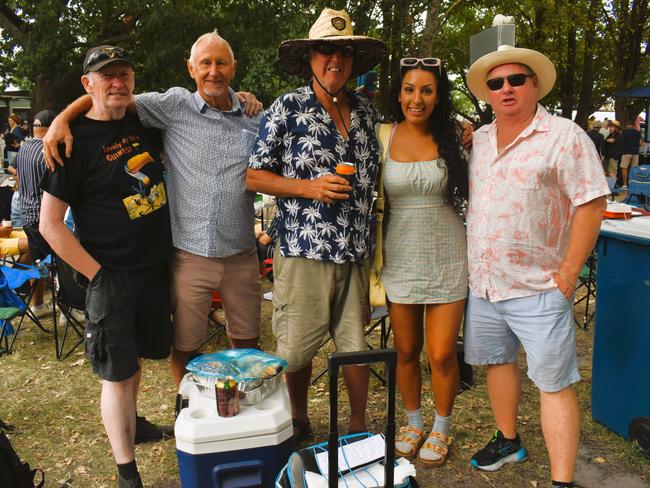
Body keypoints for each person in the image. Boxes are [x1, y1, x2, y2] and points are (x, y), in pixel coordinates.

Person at [43, 32, 264, 388]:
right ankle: (186, 407)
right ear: (190, 68)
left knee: (247, 339)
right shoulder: (173, 105)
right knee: (186, 344)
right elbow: (111, 96)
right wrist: (61, 120)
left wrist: (249, 100)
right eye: (205, 63)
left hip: (241, 253)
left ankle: (242, 408)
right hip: (189, 255)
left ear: (233, 68)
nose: (213, 71)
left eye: (221, 62)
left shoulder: (255, 117)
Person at [464, 45, 608, 488]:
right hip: (486, 285)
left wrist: (568, 274)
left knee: (553, 383)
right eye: (495, 83)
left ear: (534, 85)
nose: (505, 88)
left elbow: (592, 202)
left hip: (540, 287)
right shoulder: (480, 139)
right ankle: (509, 440)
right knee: (498, 363)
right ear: (487, 93)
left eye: (516, 80)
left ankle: (562, 481)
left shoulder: (565, 136)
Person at [247, 8, 386, 440]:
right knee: (297, 348)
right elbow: (253, 175)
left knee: (356, 347)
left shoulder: (366, 111)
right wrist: (310, 188)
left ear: (352, 60)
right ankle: (299, 418)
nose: (335, 61)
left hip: (355, 251)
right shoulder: (288, 106)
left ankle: (359, 426)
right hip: (304, 251)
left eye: (344, 52)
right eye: (326, 51)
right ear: (310, 57)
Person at [39, 45, 174, 488]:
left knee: (134, 359)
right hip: (110, 275)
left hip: (153, 268)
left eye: (124, 73)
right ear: (87, 83)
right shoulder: (69, 141)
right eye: (106, 75)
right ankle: (126, 471)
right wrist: (96, 275)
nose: (117, 82)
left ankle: (134, 423)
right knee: (116, 375)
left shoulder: (141, 121)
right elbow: (49, 224)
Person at [382, 57, 468, 465]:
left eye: (427, 90)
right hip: (400, 257)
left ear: (438, 96)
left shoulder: (456, 137)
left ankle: (442, 427)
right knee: (405, 350)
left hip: (449, 256)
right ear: (398, 93)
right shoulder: (383, 135)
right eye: (409, 89)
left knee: (441, 353)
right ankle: (414, 422)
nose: (417, 99)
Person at [14, 110, 59, 318]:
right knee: (59, 264)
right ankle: (68, 308)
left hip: (26, 214)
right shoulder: (48, 150)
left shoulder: (24, 148)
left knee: (39, 261)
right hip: (45, 218)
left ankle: (38, 305)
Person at [620, 121, 642, 188]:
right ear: (633, 125)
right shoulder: (637, 132)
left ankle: (625, 184)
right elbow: (641, 143)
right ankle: (633, 184)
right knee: (634, 169)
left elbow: (621, 142)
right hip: (635, 153)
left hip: (626, 152)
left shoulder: (624, 132)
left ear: (627, 125)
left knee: (624, 168)